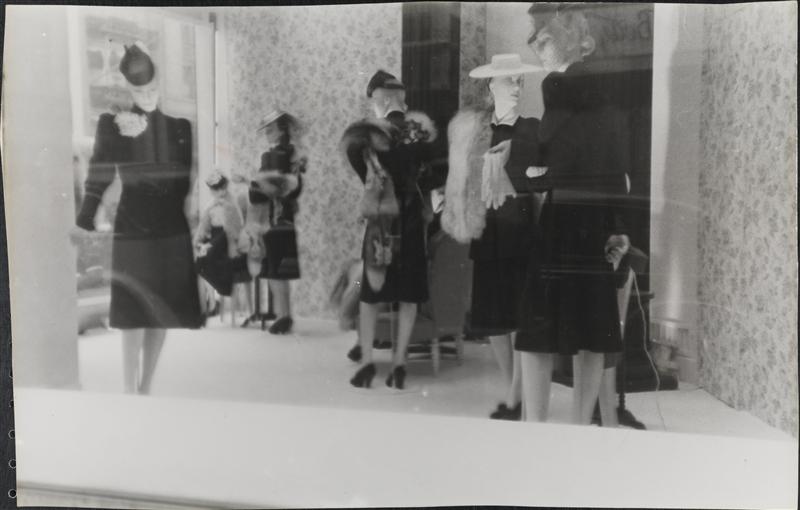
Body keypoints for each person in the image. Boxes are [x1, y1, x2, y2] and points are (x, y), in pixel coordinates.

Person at [515, 3, 631, 424]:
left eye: (541, 38)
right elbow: (616, 166)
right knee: (591, 329)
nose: (537, 46)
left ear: (563, 39)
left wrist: (531, 167)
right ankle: (579, 426)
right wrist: (618, 225)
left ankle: (536, 427)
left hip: (563, 217)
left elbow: (553, 162)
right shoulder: (609, 95)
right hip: (596, 221)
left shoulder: (558, 87)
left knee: (537, 329)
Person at [74, 42, 203, 394]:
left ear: (159, 86)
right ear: (129, 90)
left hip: (169, 227)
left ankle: (145, 386)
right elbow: (99, 173)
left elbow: (184, 181)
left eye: (151, 89)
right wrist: (85, 217)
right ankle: (129, 389)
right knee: (132, 312)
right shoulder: (112, 124)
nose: (146, 96)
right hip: (132, 226)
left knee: (160, 310)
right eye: (139, 91)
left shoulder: (180, 127)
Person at [443, 54, 542, 420]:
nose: (516, 87)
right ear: (491, 85)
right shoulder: (477, 133)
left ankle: (518, 398)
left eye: (519, 80)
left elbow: (535, 173)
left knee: (519, 315)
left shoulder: (531, 128)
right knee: (495, 318)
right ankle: (515, 390)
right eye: (508, 80)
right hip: (487, 230)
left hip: (520, 231)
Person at [342, 70, 437, 390]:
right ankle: (399, 365)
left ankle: (367, 364)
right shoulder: (419, 132)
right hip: (411, 222)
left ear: (380, 101)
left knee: (370, 295)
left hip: (381, 224)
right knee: (408, 295)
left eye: (373, 101)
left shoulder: (366, 136)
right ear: (401, 100)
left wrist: (375, 182)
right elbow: (433, 175)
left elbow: (356, 161)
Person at [243, 108, 305, 335]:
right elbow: (293, 189)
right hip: (283, 217)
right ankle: (284, 315)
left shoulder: (274, 156)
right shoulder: (293, 154)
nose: (267, 134)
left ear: (281, 130)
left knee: (275, 269)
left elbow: (262, 192)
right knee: (279, 269)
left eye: (270, 129)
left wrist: (254, 185)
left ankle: (283, 316)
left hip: (273, 218)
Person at [194, 171, 250, 325]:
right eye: (214, 189)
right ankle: (209, 306)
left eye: (220, 188)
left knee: (210, 255)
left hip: (228, 241)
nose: (218, 192)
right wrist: (198, 241)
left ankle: (220, 295)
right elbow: (204, 227)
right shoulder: (211, 206)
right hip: (214, 238)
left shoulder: (233, 203)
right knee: (200, 261)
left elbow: (235, 228)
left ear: (225, 187)